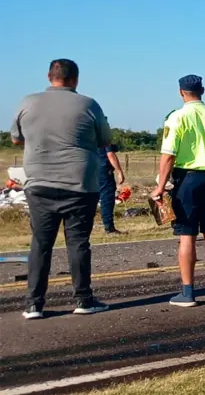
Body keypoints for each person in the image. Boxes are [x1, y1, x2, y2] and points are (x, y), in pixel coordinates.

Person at [10, 59, 112, 319]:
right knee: (78, 242)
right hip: (79, 183)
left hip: (39, 182)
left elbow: (16, 138)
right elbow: (105, 140)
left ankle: (34, 304)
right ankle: (83, 299)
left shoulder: (27, 102)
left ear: (49, 76)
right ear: (75, 79)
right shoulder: (88, 105)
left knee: (41, 244)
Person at [151, 75, 205, 307]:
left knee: (187, 235)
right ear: (202, 90)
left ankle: (188, 292)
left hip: (187, 179)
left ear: (181, 92)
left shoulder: (176, 117)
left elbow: (168, 155)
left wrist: (160, 187)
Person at [98, 143, 126, 234]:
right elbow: (110, 154)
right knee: (107, 198)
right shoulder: (104, 138)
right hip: (103, 170)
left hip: (90, 168)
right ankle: (109, 227)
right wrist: (119, 171)